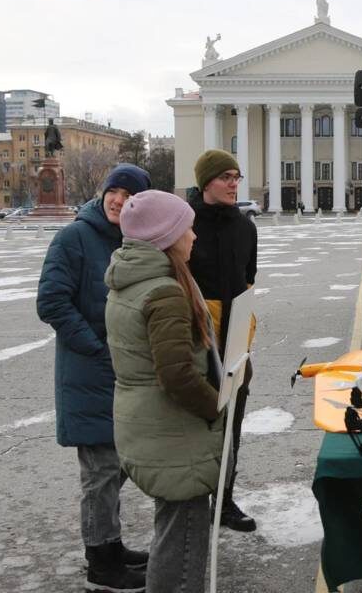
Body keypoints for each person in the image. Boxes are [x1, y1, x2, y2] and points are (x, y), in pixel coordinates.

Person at [36, 163, 152, 593]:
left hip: (121, 373)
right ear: (103, 192)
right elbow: (51, 302)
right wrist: (97, 348)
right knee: (101, 470)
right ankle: (101, 564)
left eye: (129, 194)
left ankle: (111, 545)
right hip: (89, 371)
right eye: (114, 191)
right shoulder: (74, 237)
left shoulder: (133, 239)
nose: (119, 200)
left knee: (116, 464)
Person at [105, 190, 223, 593]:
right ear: (166, 236)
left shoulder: (130, 281)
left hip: (146, 423)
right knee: (184, 544)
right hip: (171, 431)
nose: (193, 236)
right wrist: (216, 407)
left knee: (172, 532)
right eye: (186, 228)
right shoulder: (164, 292)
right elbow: (177, 375)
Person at [188, 149, 258, 532]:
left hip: (235, 338)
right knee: (198, 424)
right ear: (206, 182)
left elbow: (248, 278)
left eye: (236, 176)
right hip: (198, 336)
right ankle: (193, 501)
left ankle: (225, 501)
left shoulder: (246, 227)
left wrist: (243, 329)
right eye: (225, 177)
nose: (233, 184)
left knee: (233, 422)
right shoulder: (186, 224)